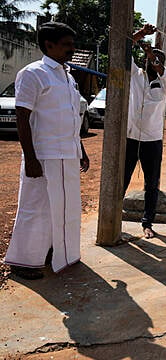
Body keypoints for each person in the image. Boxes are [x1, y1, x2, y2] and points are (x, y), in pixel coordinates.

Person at [3, 22, 90, 279]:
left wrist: (81, 148)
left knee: (65, 207)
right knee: (36, 208)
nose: (71, 50)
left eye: (72, 45)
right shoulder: (33, 73)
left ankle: (57, 251)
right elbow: (22, 117)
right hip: (43, 155)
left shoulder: (67, 75)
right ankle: (23, 261)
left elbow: (71, 117)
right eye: (66, 45)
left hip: (67, 154)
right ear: (48, 45)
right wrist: (30, 158)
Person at [124, 24, 166, 239]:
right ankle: (113, 218)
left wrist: (151, 54)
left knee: (151, 185)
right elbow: (123, 46)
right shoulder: (135, 75)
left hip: (152, 141)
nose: (152, 62)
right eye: (149, 58)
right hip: (130, 138)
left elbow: (164, 73)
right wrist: (140, 34)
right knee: (122, 179)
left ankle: (148, 223)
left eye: (156, 60)